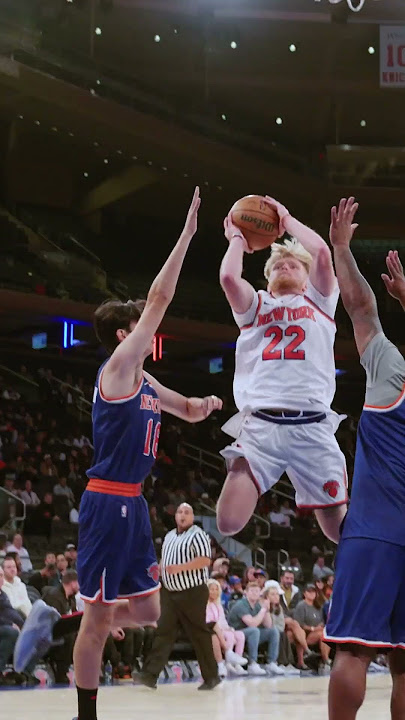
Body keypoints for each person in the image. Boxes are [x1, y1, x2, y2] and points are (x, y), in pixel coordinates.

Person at [14, 189, 223, 720]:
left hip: (135, 505)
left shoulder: (144, 378)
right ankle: (87, 708)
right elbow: (158, 300)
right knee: (100, 622)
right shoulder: (117, 370)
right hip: (108, 503)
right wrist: (188, 236)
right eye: (141, 325)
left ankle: (64, 619)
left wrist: (208, 403)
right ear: (124, 335)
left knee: (149, 609)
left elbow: (189, 411)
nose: (150, 330)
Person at [217, 196, 348, 542]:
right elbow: (229, 278)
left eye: (293, 265)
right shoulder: (256, 304)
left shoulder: (319, 301)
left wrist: (286, 220)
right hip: (262, 425)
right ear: (267, 279)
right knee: (227, 522)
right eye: (277, 266)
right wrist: (237, 241)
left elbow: (321, 253)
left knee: (340, 533)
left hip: (313, 426)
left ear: (307, 280)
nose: (284, 268)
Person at [323, 197, 405, 720]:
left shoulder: (391, 369)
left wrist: (340, 249)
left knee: (352, 649)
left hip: (376, 525)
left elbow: (359, 308)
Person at [134, 503, 220, 691]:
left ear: (192, 516)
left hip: (192, 592)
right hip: (169, 591)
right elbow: (165, 561)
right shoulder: (169, 536)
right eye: (180, 512)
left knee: (198, 634)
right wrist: (158, 573)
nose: (182, 515)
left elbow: (205, 560)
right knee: (163, 632)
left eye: (187, 512)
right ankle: (149, 675)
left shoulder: (199, 534)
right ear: (175, 516)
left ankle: (212, 676)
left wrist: (180, 568)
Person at [228, 581, 284, 676]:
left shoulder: (258, 605)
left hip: (252, 634)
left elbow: (268, 625)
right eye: (252, 591)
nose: (255, 593)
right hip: (237, 633)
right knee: (254, 630)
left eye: (257, 591)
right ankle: (252, 664)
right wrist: (262, 610)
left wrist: (266, 609)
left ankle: (271, 663)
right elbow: (252, 624)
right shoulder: (241, 604)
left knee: (273, 631)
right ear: (246, 592)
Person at [206, 578, 247, 676]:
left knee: (239, 635)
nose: (214, 592)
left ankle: (237, 664)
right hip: (212, 629)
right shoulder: (204, 604)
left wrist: (228, 628)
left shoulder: (218, 605)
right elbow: (209, 621)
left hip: (221, 629)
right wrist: (223, 629)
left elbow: (222, 620)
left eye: (216, 589)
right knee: (229, 636)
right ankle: (228, 661)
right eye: (212, 589)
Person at [294, 584, 330, 665]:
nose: (311, 594)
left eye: (313, 592)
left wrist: (320, 625)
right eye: (309, 592)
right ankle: (326, 660)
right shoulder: (301, 605)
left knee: (325, 633)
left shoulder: (318, 606)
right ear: (305, 593)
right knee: (322, 633)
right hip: (305, 634)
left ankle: (326, 659)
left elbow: (322, 621)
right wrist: (313, 628)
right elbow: (299, 624)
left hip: (317, 631)